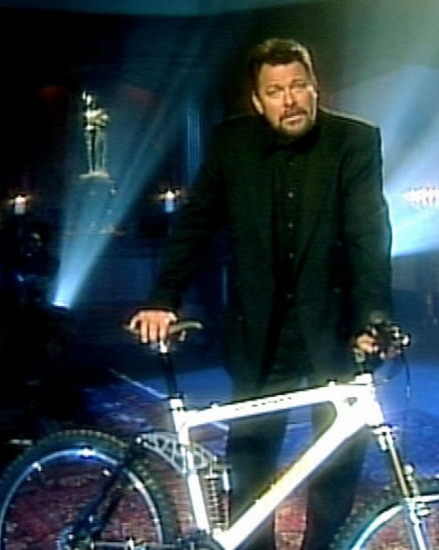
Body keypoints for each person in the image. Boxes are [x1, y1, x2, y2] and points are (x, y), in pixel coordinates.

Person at [129, 37, 393, 549]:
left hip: (332, 325)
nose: (290, 100)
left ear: (315, 87)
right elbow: (195, 225)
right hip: (259, 329)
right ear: (257, 100)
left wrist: (373, 318)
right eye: (275, 91)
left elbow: (369, 236)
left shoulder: (355, 142)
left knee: (339, 456)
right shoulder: (232, 143)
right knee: (250, 460)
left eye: (299, 85)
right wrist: (163, 298)